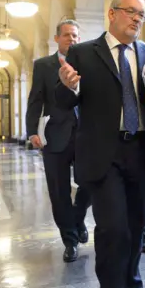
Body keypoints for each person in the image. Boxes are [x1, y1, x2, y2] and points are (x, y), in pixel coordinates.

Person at [56, 0, 145, 288]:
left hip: (142, 152)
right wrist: (68, 86)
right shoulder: (83, 53)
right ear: (112, 13)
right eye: (131, 12)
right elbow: (65, 103)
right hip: (103, 155)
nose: (137, 19)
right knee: (113, 229)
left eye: (142, 15)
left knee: (136, 229)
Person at [26, 19, 92, 263]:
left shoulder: (88, 62)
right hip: (54, 136)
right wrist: (31, 130)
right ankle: (70, 240)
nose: (72, 39)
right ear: (57, 38)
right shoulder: (43, 65)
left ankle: (78, 216)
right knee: (58, 191)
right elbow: (35, 99)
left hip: (86, 133)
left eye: (75, 35)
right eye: (67, 35)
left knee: (92, 181)